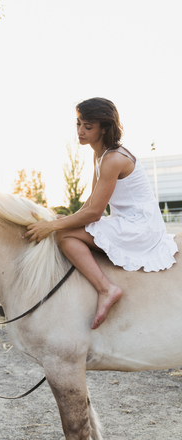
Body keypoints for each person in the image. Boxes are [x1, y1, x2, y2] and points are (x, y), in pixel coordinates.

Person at [23, 97, 178, 329]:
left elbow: (95, 213)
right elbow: (91, 202)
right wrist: (67, 219)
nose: (80, 131)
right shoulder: (100, 155)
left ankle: (107, 289)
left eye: (88, 126)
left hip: (140, 227)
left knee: (63, 235)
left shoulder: (113, 159)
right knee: (64, 225)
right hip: (127, 221)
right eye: (78, 124)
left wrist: (53, 227)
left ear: (104, 128)